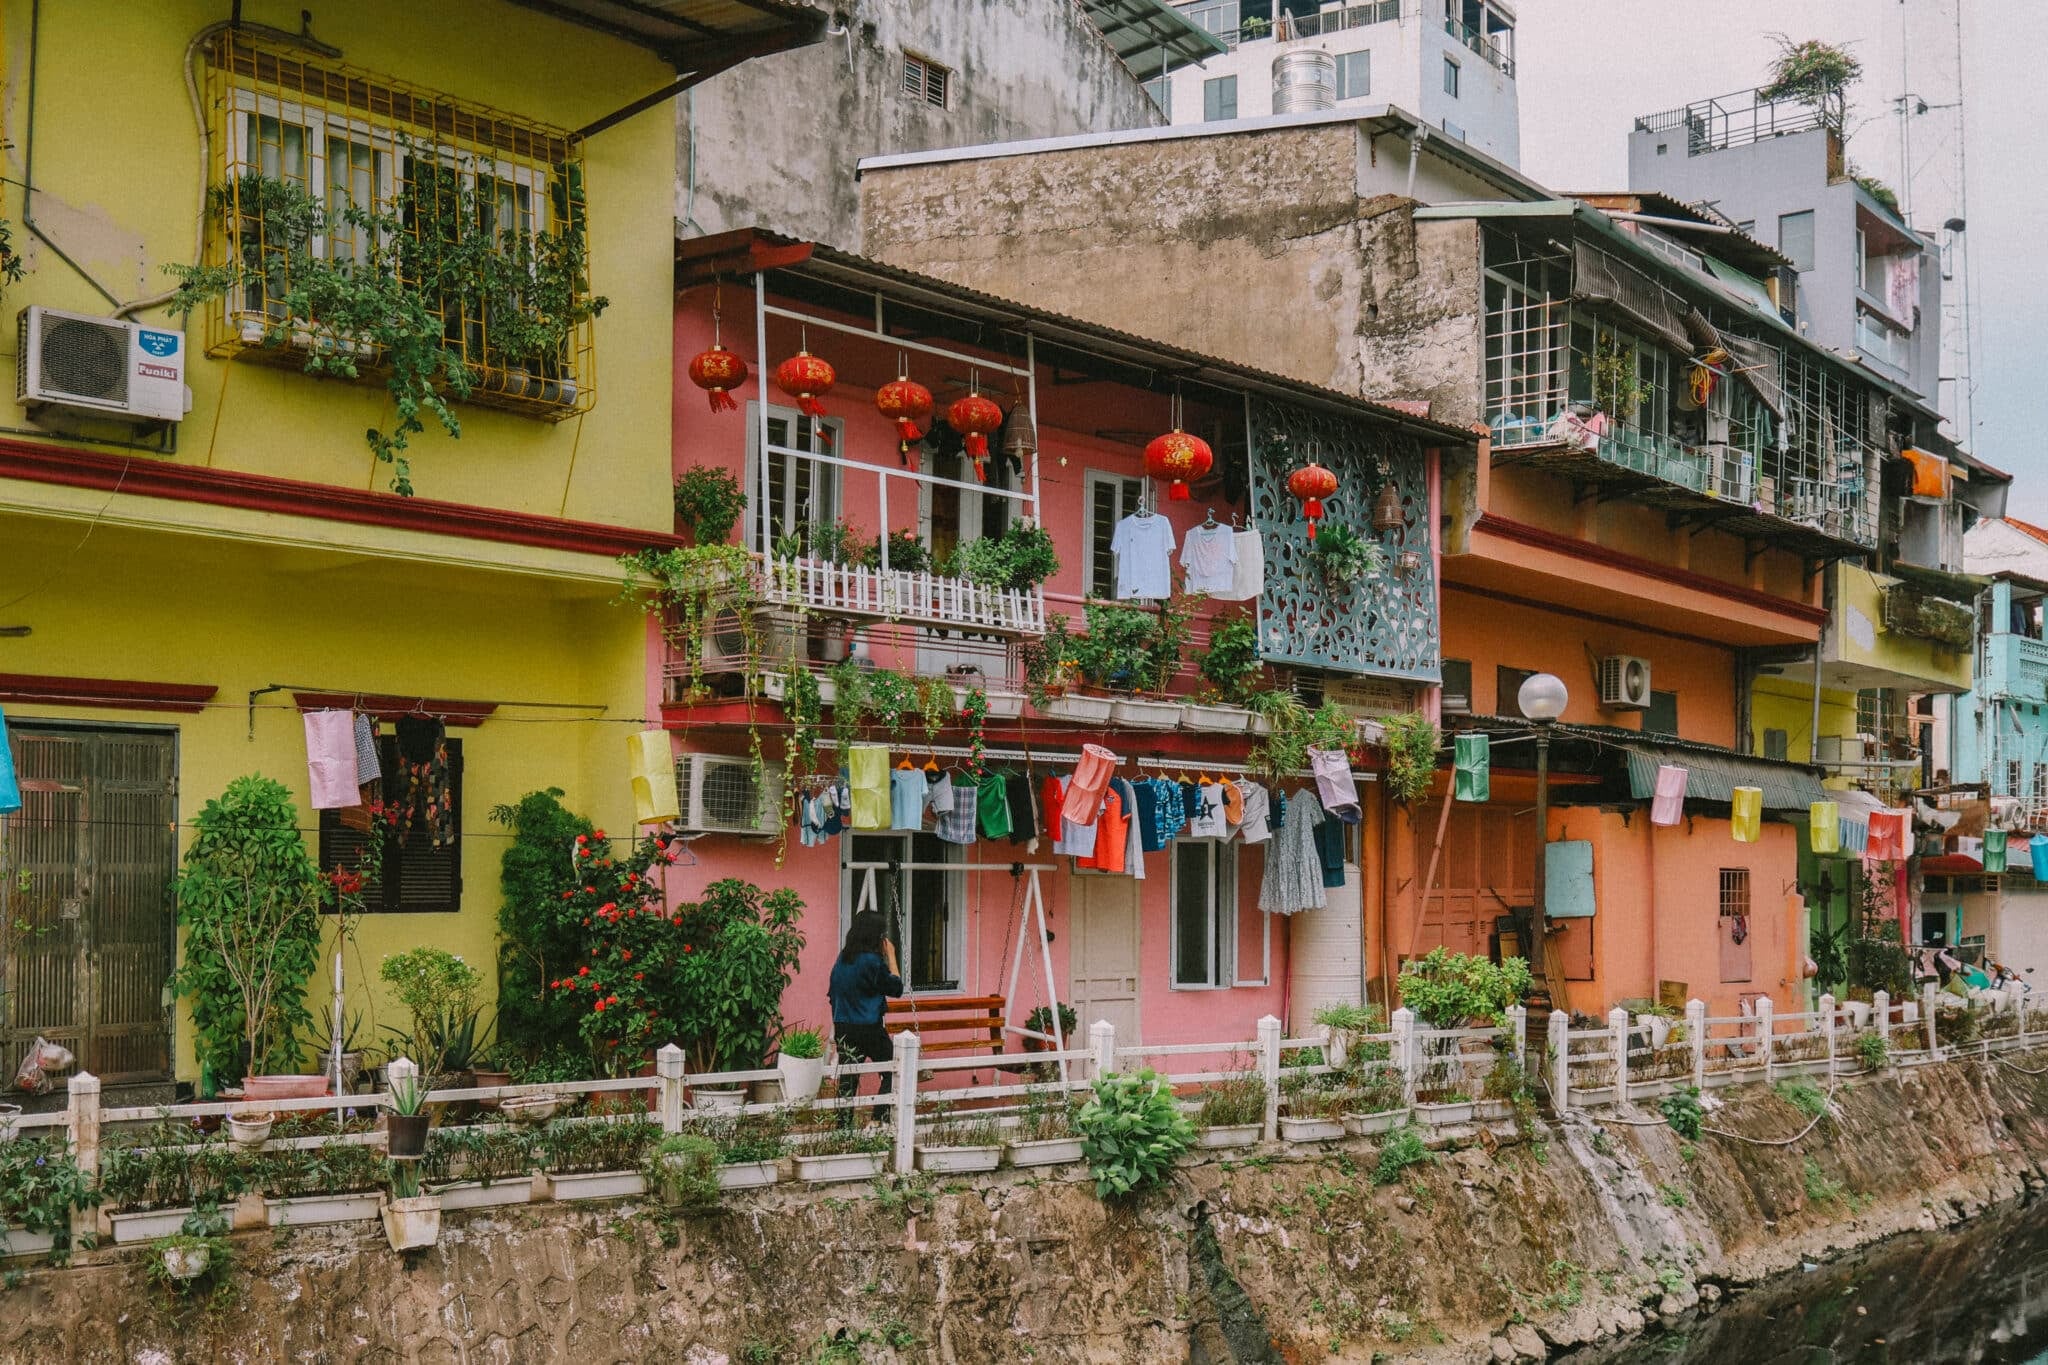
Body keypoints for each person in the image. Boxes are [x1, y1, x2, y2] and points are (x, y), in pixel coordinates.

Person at [829, 911, 904, 1109]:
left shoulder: (843, 959)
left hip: (843, 1026)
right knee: (895, 1070)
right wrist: (892, 955)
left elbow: (833, 994)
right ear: (876, 936)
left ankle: (843, 1128)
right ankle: (879, 1118)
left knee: (848, 1081)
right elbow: (896, 988)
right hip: (868, 1027)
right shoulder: (871, 961)